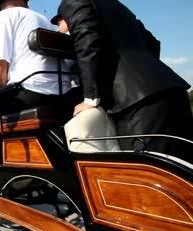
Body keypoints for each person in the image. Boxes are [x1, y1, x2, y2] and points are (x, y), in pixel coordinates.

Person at [56, 0, 193, 162]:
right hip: (169, 89)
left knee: (148, 175)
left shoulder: (73, 1)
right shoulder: (118, 6)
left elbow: (87, 42)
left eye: (58, 22)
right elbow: (151, 41)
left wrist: (90, 99)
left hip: (138, 104)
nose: (58, 28)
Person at [0, 0, 82, 178]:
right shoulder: (42, 18)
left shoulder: (5, 16)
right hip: (63, 95)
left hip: (32, 93)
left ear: (1, 5)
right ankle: (1, 156)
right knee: (1, 108)